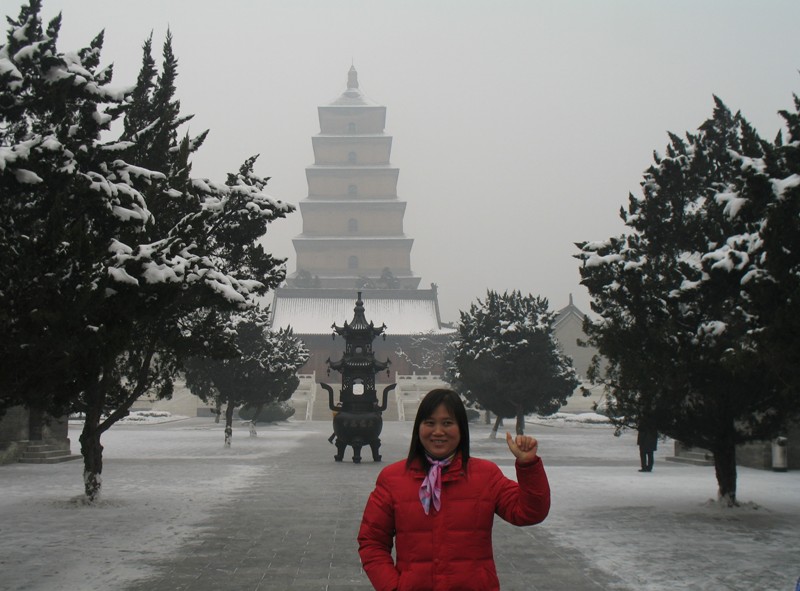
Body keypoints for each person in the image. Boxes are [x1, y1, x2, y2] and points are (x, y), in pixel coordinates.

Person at [357, 388, 550, 591]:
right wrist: (393, 587)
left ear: (461, 428)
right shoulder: (393, 479)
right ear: (419, 428)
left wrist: (528, 466)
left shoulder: (486, 475)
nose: (438, 432)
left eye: (447, 423)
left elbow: (529, 513)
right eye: (429, 423)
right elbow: (372, 541)